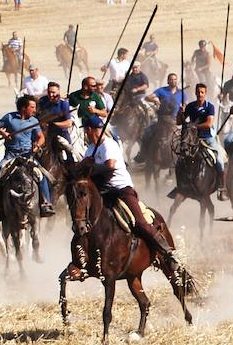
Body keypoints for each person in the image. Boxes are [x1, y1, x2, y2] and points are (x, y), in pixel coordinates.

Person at [71, 117, 186, 285]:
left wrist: (91, 167)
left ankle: (167, 251)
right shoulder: (90, 149)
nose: (85, 133)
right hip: (103, 193)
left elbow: (110, 166)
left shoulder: (108, 145)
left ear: (90, 129)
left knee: (139, 222)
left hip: (121, 190)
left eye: (86, 130)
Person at [0, 95, 55, 217]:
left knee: (41, 175)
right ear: (24, 108)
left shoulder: (34, 121)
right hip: (11, 155)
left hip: (27, 155)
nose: (34, 110)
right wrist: (3, 132)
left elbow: (41, 137)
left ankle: (46, 203)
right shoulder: (9, 117)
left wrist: (37, 146)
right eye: (32, 107)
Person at [180, 82, 224, 179]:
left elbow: (209, 124)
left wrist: (194, 127)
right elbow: (179, 122)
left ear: (205, 93)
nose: (200, 94)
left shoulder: (209, 107)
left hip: (206, 138)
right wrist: (180, 113)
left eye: (202, 92)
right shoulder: (190, 106)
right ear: (195, 93)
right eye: (198, 92)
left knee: (219, 160)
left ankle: (222, 186)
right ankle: (179, 185)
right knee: (180, 160)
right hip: (191, 139)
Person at [37, 81, 76, 162]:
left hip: (60, 133)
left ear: (58, 91)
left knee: (69, 151)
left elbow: (69, 122)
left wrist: (54, 124)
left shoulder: (63, 103)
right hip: (44, 133)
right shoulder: (42, 101)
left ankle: (71, 166)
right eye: (49, 92)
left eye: (53, 92)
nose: (51, 95)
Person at [67, 75, 108, 149]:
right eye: (93, 86)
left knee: (111, 135)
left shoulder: (95, 96)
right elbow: (68, 111)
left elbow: (104, 113)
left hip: (94, 126)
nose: (96, 87)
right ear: (85, 87)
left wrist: (95, 110)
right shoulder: (73, 96)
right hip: (78, 126)